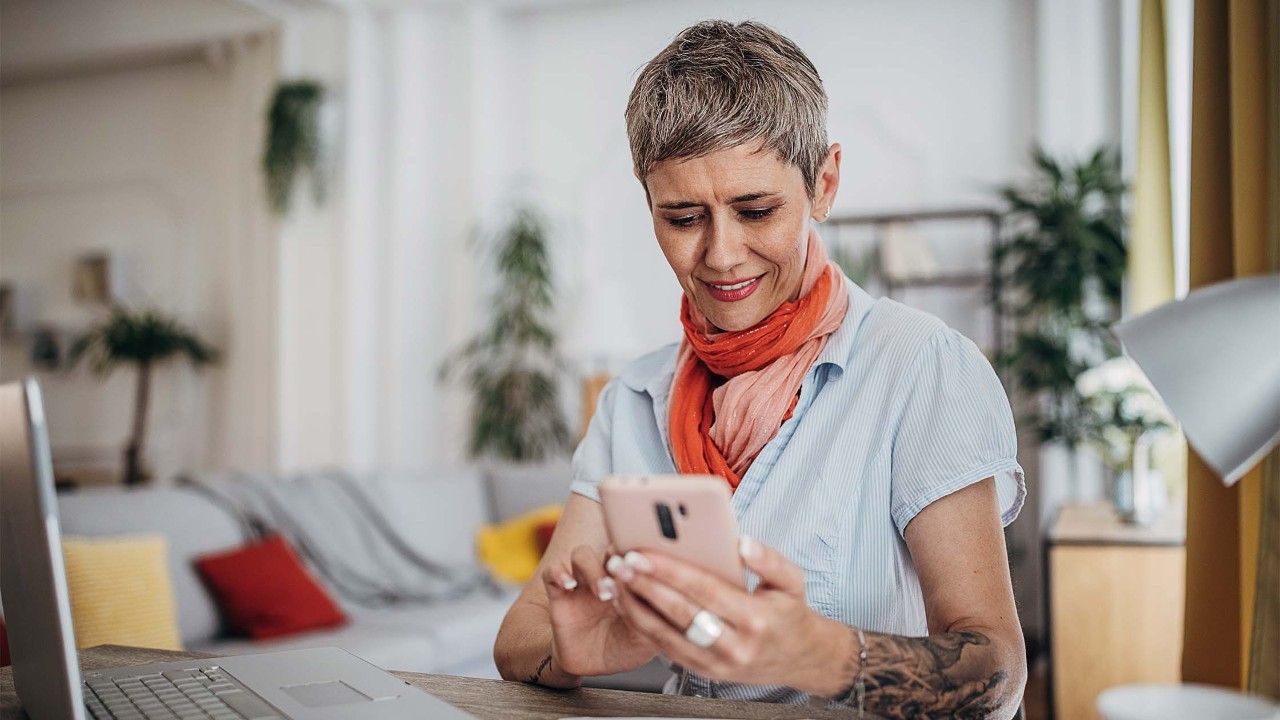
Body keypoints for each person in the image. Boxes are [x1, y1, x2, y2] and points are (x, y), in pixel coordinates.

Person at [494, 19, 1027, 719]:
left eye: (757, 210)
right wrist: (574, 652)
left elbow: (996, 670)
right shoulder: (632, 400)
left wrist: (820, 654)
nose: (720, 255)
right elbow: (520, 635)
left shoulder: (922, 369)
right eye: (682, 217)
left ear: (824, 183)